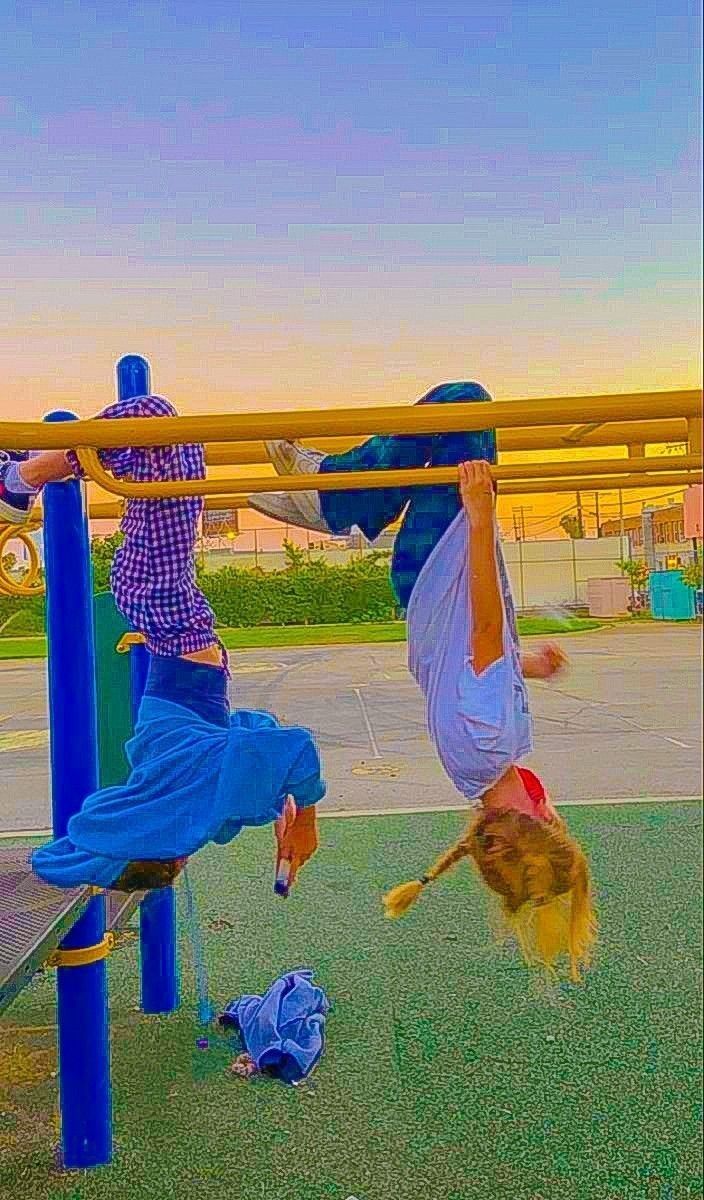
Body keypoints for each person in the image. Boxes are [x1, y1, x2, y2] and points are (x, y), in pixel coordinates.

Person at [249, 382, 596, 979]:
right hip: (432, 585)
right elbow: (475, 660)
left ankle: (333, 500)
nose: (557, 810)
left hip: (442, 568)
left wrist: (481, 517)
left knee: (465, 404)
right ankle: (333, 497)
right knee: (453, 427)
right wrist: (527, 665)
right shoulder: (478, 765)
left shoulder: (492, 746)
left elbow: (483, 629)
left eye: (557, 822)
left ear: (539, 821)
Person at [0, 397, 323, 892]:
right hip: (170, 617)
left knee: (158, 423)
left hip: (166, 612)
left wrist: (304, 818)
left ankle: (21, 480)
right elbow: (242, 728)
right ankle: (35, 471)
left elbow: (298, 749)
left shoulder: (190, 798)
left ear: (170, 852)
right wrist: (279, 796)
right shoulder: (174, 788)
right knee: (165, 455)